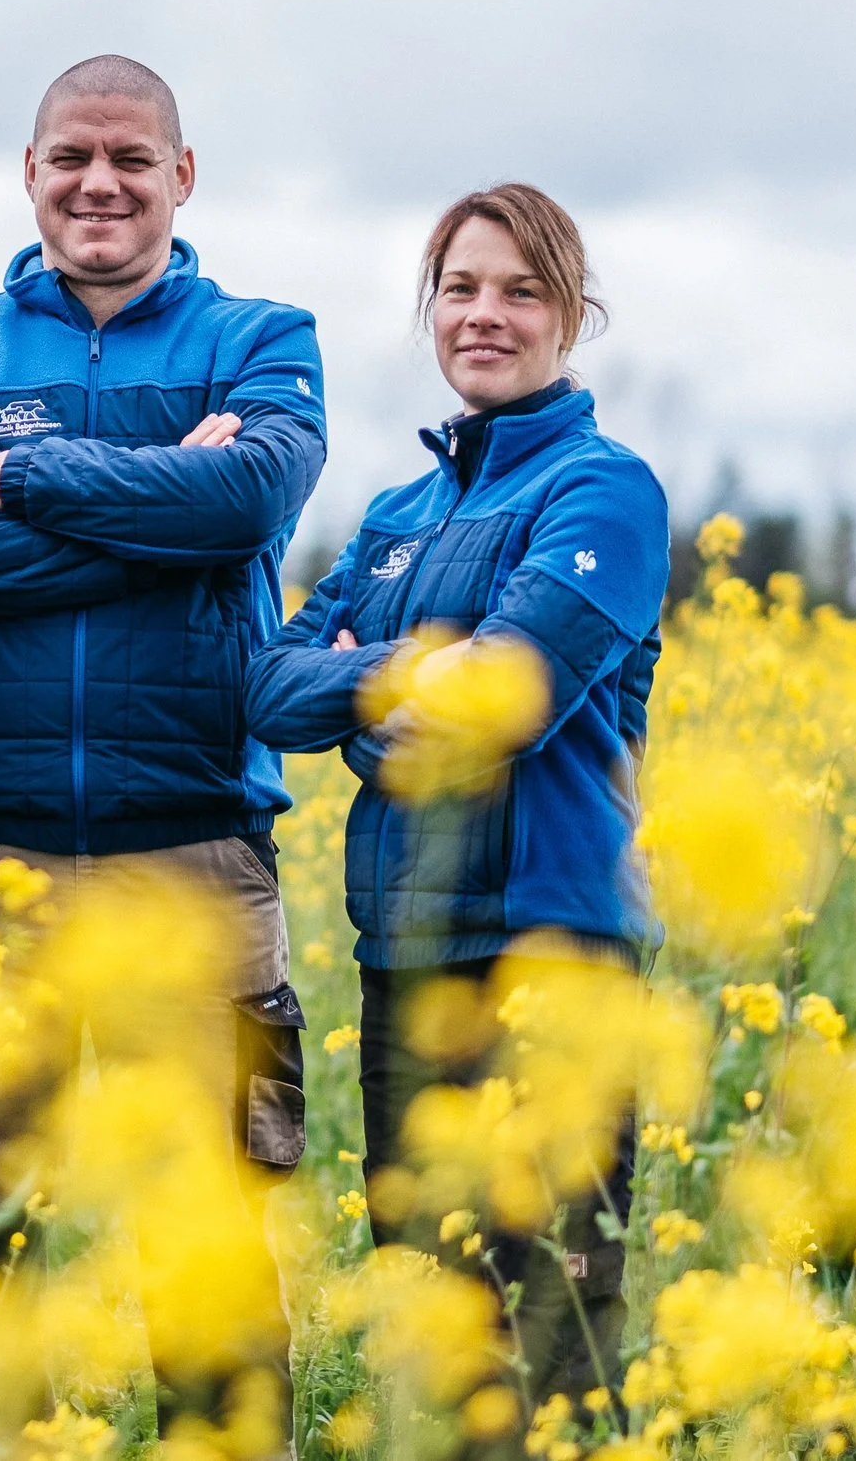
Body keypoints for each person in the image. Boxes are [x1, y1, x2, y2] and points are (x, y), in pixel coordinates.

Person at [0, 55, 326, 1443]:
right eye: (72, 156)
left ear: (183, 177)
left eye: (131, 158)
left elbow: (246, 499)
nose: (100, 183)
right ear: (29, 172)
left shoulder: (260, 333)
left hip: (190, 850)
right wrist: (149, 526)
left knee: (207, 1241)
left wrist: (23, 477)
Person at [243, 183, 668, 1445]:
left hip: (552, 943)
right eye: (462, 289)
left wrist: (384, 681)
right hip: (409, 953)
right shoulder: (394, 517)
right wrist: (400, 677)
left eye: (520, 290)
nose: (486, 315)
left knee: (554, 1321)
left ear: (572, 316)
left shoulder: (606, 491)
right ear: (431, 309)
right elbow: (268, 683)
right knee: (432, 1320)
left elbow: (503, 696)